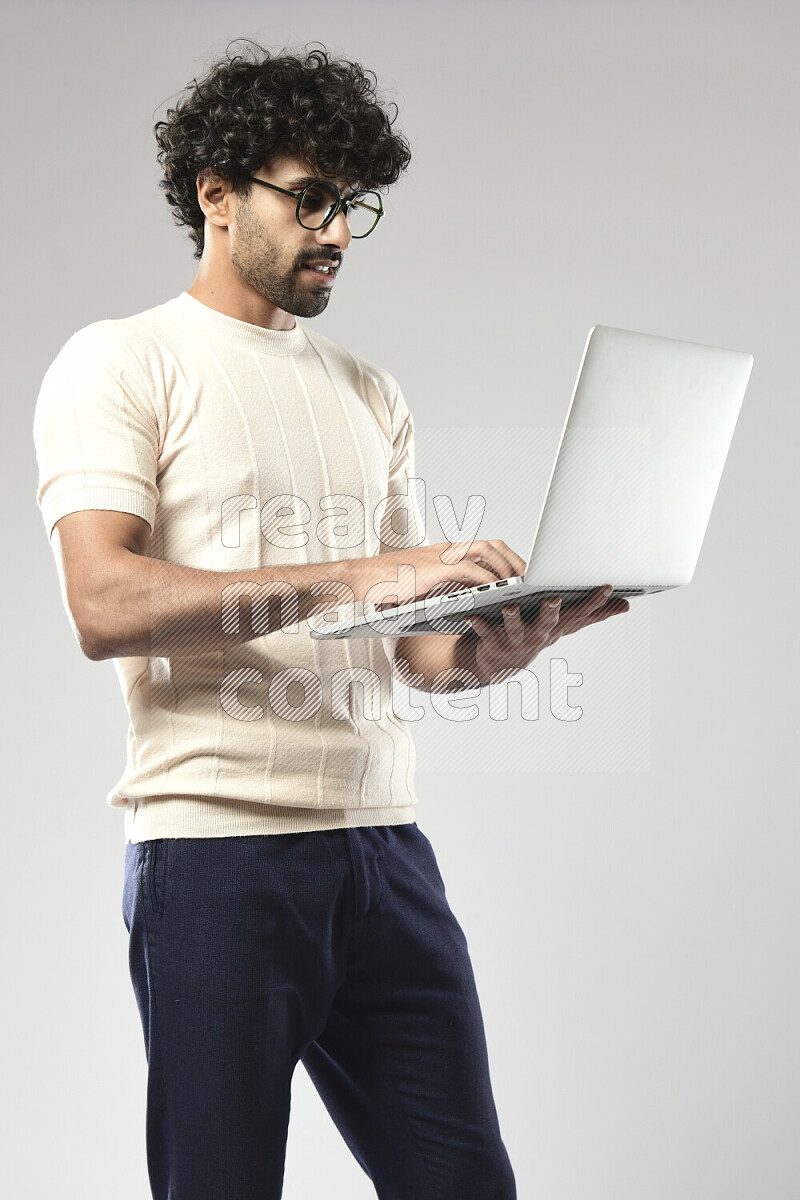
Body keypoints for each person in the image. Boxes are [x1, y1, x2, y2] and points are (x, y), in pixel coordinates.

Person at [33, 39, 628, 1200]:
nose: (339, 231)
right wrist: (355, 576)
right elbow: (103, 603)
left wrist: (502, 648)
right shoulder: (121, 363)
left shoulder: (369, 393)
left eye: (354, 204)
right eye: (311, 197)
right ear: (216, 194)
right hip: (213, 859)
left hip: (383, 855)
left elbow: (419, 655)